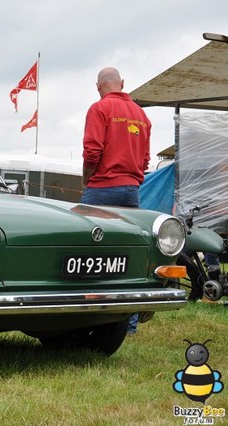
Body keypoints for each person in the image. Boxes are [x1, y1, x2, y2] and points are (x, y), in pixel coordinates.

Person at [79, 67, 152, 335]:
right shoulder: (142, 115)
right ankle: (128, 325)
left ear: (98, 86)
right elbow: (145, 158)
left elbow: (92, 150)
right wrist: (133, 179)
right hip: (131, 191)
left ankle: (86, 319)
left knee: (87, 256)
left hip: (101, 189)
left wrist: (88, 177)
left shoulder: (99, 109)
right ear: (122, 83)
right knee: (127, 257)